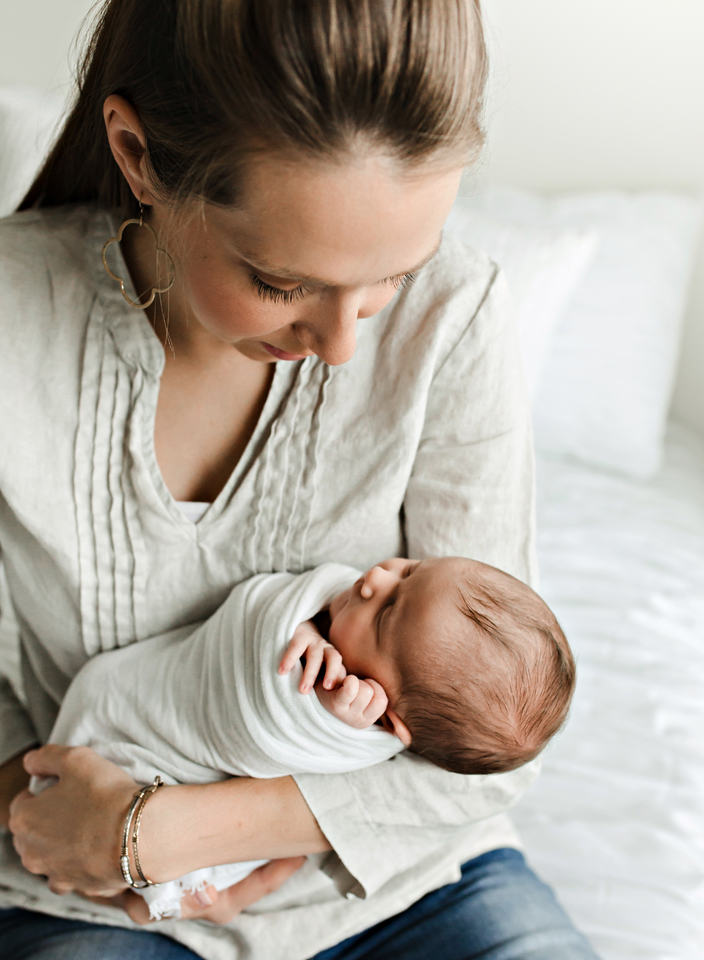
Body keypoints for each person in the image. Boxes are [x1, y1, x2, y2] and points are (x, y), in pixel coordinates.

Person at [0, 0, 601, 957]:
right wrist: (57, 822)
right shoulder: (13, 318)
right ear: (139, 156)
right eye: (284, 283)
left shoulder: (452, 315)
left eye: (393, 277)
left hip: (405, 885)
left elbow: (497, 740)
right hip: (82, 896)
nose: (343, 346)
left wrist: (168, 834)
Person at [32, 556, 575, 921]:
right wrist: (307, 631)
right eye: (411, 569)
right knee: (275, 859)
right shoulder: (361, 630)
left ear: (387, 722)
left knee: (270, 863)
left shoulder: (357, 725)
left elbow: (269, 722)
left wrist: (327, 714)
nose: (376, 577)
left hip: (408, 887)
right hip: (144, 731)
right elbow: (252, 635)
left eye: (386, 612)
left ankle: (204, 896)